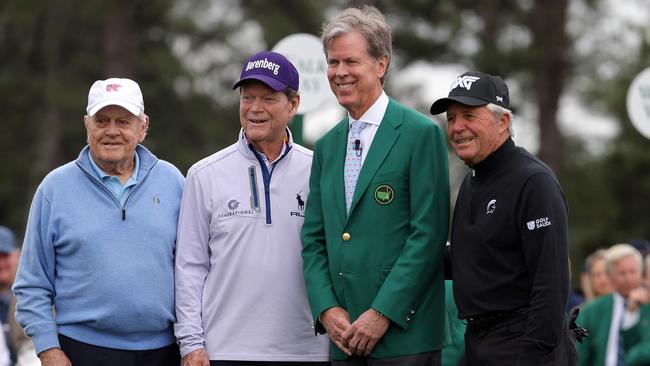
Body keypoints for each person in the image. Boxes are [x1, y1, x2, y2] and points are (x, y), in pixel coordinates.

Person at [301, 5, 450, 365]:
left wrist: (381, 313)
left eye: (350, 61)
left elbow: (427, 236)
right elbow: (314, 240)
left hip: (405, 337)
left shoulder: (420, 134)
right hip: (345, 336)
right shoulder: (327, 146)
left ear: (381, 64)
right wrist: (326, 309)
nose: (339, 72)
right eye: (333, 63)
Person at [12, 78, 184, 366]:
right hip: (82, 350)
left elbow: (193, 270)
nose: (112, 131)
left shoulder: (174, 182)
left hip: (164, 352)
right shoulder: (54, 189)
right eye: (102, 120)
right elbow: (31, 284)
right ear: (86, 125)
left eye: (123, 121)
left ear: (143, 127)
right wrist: (48, 350)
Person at [174, 51, 330, 366]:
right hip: (224, 350)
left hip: (307, 350)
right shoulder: (205, 174)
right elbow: (190, 267)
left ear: (294, 104)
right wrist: (191, 344)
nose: (255, 108)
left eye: (269, 98)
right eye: (247, 98)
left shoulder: (320, 171)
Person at [430, 71, 575, 365]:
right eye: (452, 118)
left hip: (524, 346)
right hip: (480, 342)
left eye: (469, 116)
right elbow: (469, 261)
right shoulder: (472, 182)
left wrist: (531, 353)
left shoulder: (533, 181)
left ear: (503, 122)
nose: (457, 127)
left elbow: (551, 283)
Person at [576, 243, 650, 366]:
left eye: (632, 271)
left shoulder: (647, 306)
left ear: (641, 274)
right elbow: (580, 356)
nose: (628, 278)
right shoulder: (592, 312)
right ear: (610, 276)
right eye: (622, 273)